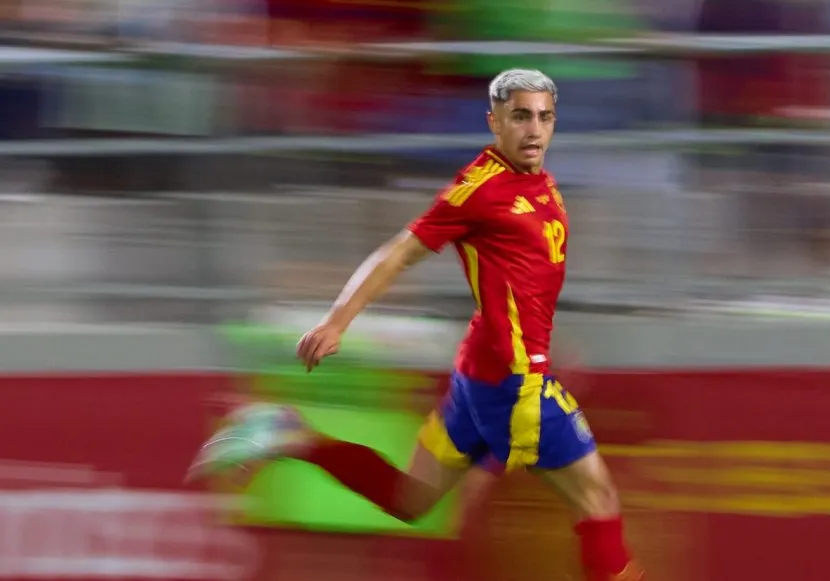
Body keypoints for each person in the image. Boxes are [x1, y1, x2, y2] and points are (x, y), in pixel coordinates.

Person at [188, 68, 644, 581]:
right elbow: (399, 253)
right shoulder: (480, 189)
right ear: (494, 122)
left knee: (409, 499)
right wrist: (338, 322)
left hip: (485, 376)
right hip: (517, 384)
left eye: (544, 117)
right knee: (597, 499)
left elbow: (520, 285)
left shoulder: (536, 182)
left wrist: (542, 344)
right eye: (520, 117)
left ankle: (291, 436)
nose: (534, 130)